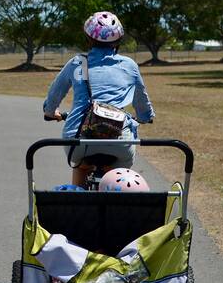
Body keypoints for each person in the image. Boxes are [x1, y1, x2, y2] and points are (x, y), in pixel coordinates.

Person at [43, 11, 155, 188]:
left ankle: (78, 201)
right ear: (118, 41)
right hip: (119, 141)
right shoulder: (129, 65)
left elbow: (54, 95)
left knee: (81, 166)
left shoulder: (77, 63)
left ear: (88, 39)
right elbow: (142, 102)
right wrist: (145, 117)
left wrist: (51, 113)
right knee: (119, 171)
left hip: (78, 140)